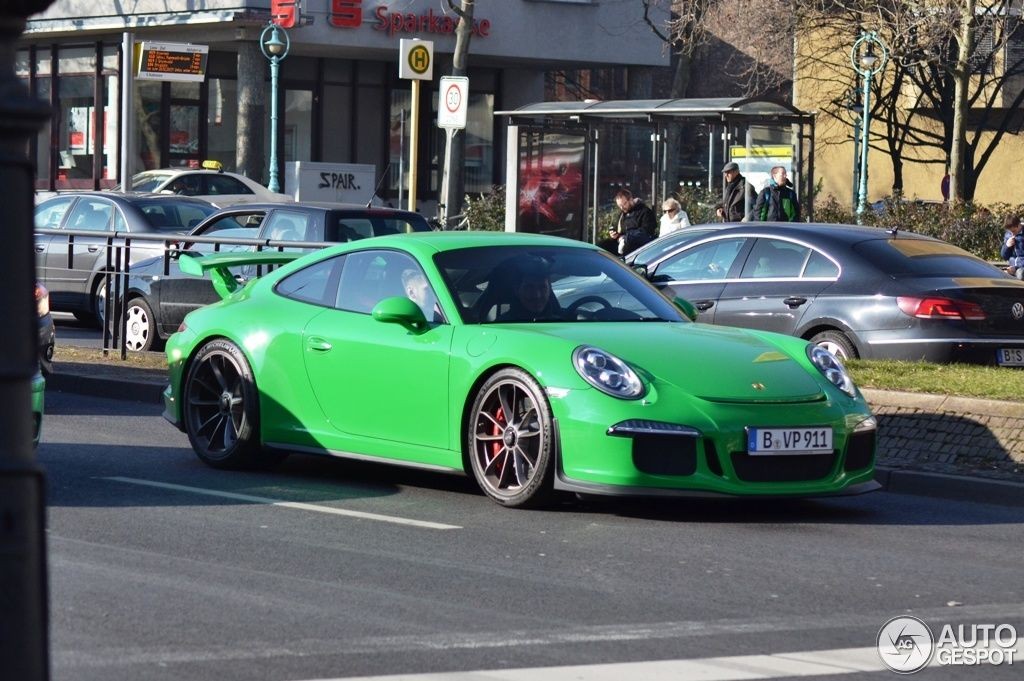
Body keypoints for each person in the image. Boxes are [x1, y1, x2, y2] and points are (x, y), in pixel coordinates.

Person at [497, 258, 562, 322]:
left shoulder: (562, 323)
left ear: (549, 290)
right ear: (517, 290)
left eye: (543, 287)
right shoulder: (499, 327)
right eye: (529, 287)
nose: (537, 295)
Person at [608, 189, 656, 256]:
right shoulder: (621, 214)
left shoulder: (645, 212)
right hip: (623, 245)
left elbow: (646, 231)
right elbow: (614, 227)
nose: (622, 208)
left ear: (630, 200)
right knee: (604, 245)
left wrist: (626, 237)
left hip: (639, 248)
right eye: (620, 206)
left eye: (624, 204)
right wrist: (613, 233)